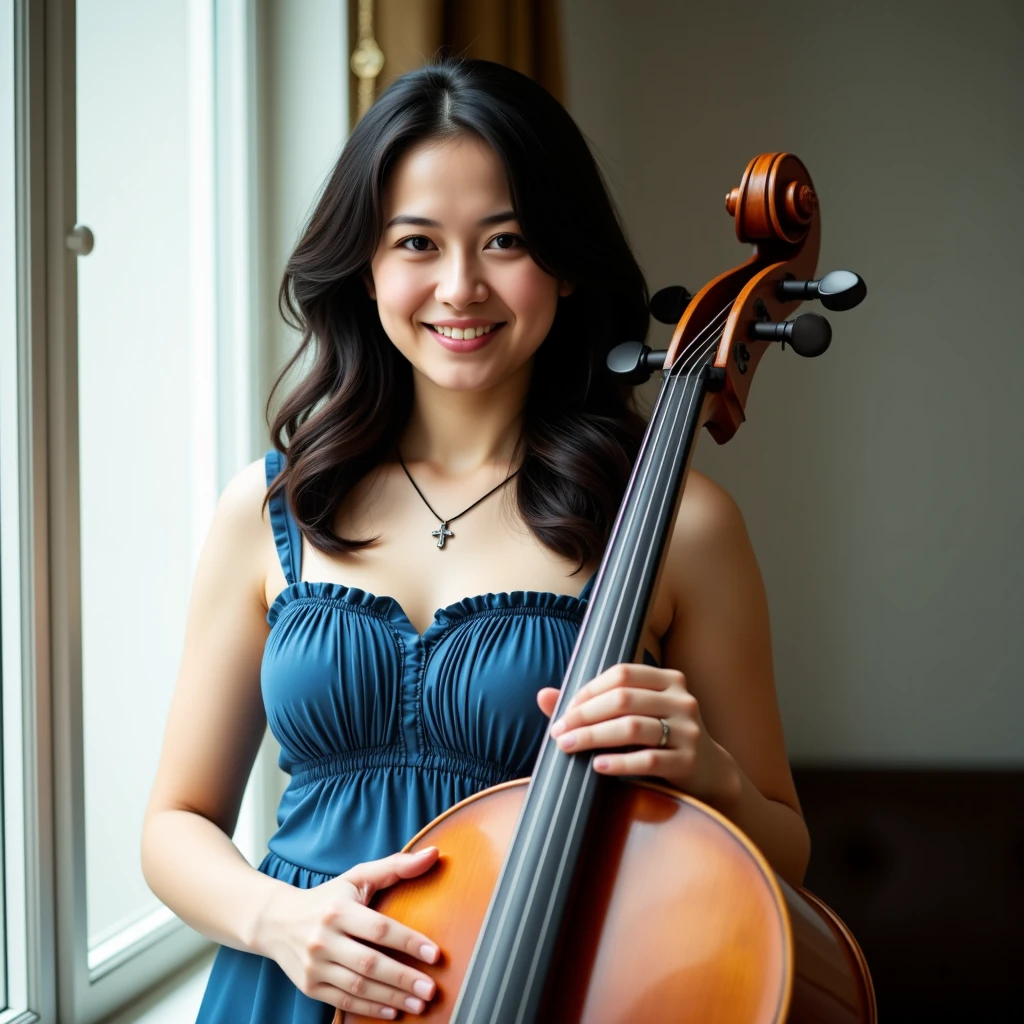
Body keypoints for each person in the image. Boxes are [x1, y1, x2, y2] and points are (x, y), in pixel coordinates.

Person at [141, 58, 810, 1023]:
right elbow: (174, 825)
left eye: (506, 241)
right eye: (417, 241)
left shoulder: (679, 523)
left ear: (568, 264)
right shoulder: (271, 508)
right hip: (287, 989)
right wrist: (280, 921)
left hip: (550, 987)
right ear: (365, 265)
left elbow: (785, 846)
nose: (460, 287)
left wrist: (711, 774)